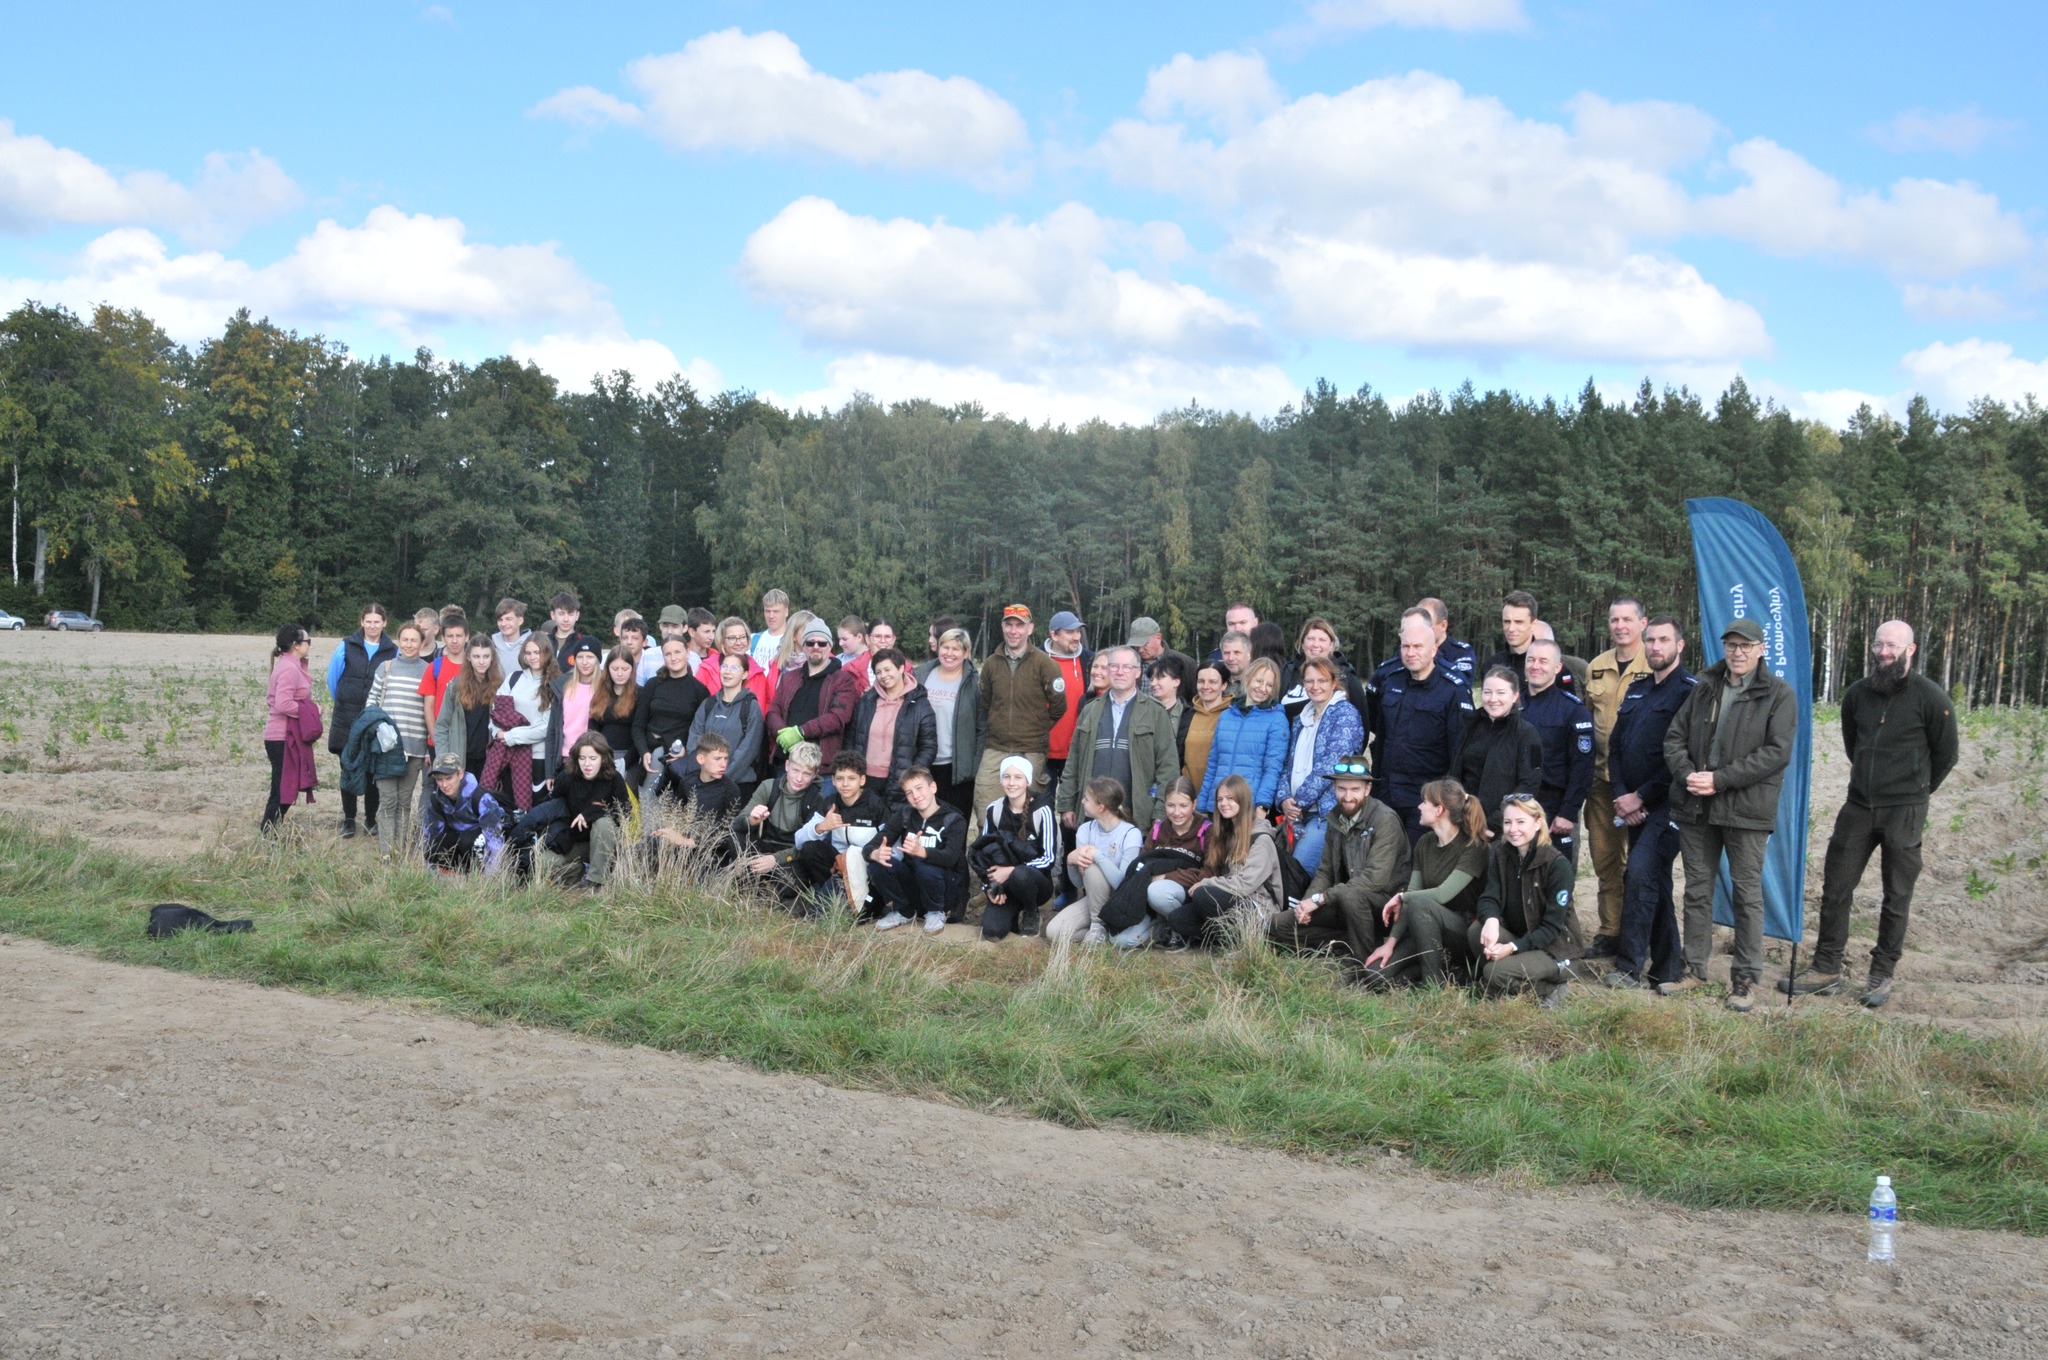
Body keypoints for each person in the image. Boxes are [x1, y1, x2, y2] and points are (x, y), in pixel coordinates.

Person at [1784, 620, 1959, 1009]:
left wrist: (1915, 791)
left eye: (1892, 646)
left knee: (1896, 895)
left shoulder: (1931, 698)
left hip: (1905, 811)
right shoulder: (1858, 694)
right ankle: (1826, 967)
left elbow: (1946, 754)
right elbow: (1853, 742)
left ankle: (1882, 973)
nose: (1883, 652)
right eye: (1879, 644)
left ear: (1910, 650)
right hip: (1858, 806)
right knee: (1835, 887)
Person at [1660, 617, 1797, 1012]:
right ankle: (1694, 969)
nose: (1738, 653)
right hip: (1696, 805)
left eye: (1746, 646)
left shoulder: (1779, 694)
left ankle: (1745, 978)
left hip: (1745, 809)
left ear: (1761, 650)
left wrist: (1721, 780)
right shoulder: (1705, 687)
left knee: (1746, 893)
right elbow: (1674, 737)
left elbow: (1776, 753)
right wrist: (1690, 776)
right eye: (1732, 645)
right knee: (1697, 889)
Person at [1602, 616, 1695, 991]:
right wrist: (1623, 795)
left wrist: (1641, 796)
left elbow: (1683, 757)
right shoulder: (1639, 689)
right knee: (1652, 880)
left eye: (1664, 640)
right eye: (1651, 641)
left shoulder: (1690, 692)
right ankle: (1669, 966)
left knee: (1639, 873)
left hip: (1668, 806)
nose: (1656, 647)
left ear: (1680, 645)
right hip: (1631, 805)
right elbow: (1616, 747)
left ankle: (1628, 968)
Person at [1268, 753, 1409, 965]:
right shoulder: (1334, 817)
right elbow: (1325, 871)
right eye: (1342, 789)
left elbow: (1374, 880)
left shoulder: (1385, 819)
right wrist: (1308, 902)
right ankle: (1346, 946)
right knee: (1278, 925)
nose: (1348, 796)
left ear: (1368, 789)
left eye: (1355, 790)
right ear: (1333, 788)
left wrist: (1321, 899)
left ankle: (1363, 964)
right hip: (1343, 901)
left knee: (1351, 896)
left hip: (1384, 908)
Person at [1360, 779, 1491, 988]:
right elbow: (1413, 892)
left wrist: (1402, 897)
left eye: (1424, 802)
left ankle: (1433, 986)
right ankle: (1445, 974)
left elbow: (1442, 894)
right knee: (1375, 976)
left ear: (1439, 809)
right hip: (1423, 928)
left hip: (1462, 931)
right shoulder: (1425, 843)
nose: (1419, 806)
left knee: (1421, 904)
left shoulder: (1473, 847)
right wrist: (1391, 943)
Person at [1581, 598, 1653, 958]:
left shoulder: (1654, 662)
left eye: (1627, 619)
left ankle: (1641, 933)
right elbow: (1588, 718)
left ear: (1643, 623)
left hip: (1642, 787)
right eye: (1614, 619)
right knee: (1606, 859)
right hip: (1601, 782)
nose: (1620, 625)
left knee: (1643, 866)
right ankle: (1610, 930)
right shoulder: (1596, 667)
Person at [1470, 793, 1584, 1006]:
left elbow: (1551, 928)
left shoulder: (1557, 865)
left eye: (1521, 822)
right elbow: (1489, 896)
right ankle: (1507, 984)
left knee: (1494, 972)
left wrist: (1512, 947)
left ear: (1538, 823)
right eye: (1508, 822)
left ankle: (1552, 989)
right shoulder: (1501, 854)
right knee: (1477, 931)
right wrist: (1492, 920)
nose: (1513, 829)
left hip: (1555, 950)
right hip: (1523, 938)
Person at [1370, 610, 1474, 841]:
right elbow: (1382, 740)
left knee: (1417, 866)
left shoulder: (1452, 689)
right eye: (1406, 647)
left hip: (1427, 800)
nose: (1410, 653)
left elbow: (1459, 753)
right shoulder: (1391, 681)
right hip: (1388, 794)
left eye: (1418, 647)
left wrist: (1446, 801)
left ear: (1434, 649)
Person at [1056, 645, 1179, 833]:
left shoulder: (1155, 712)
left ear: (1138, 672)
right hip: (1092, 814)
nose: (1120, 672)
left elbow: (1168, 767)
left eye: (1127, 667)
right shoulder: (1090, 710)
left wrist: (1160, 811)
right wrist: (1066, 804)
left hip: (1136, 814)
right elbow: (1074, 761)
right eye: (1114, 666)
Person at [1157, 774, 1286, 948]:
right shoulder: (1229, 834)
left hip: (1259, 906)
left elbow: (1245, 885)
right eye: (1220, 799)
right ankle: (1232, 938)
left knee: (1204, 895)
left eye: (1230, 798)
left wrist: (1207, 882)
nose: (1224, 803)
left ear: (1243, 800)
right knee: (1178, 919)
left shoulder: (1261, 840)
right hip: (1233, 900)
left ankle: (1250, 937)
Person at [972, 604, 1068, 813]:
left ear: (1030, 629)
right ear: (1003, 627)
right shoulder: (990, 664)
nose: (1014, 630)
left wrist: (1038, 727)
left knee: (1029, 808)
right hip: (996, 746)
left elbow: (1059, 706)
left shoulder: (1045, 664)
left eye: (1019, 625)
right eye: (1009, 625)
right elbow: (985, 702)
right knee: (984, 802)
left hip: (1031, 748)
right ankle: (989, 843)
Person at [1277, 657, 1366, 876]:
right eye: (1309, 681)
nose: (1315, 686)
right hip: (1296, 814)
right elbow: (1287, 764)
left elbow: (1332, 764)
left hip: (1325, 813)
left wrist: (1298, 802)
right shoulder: (1300, 719)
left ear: (1333, 682)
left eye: (1322, 680)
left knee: (1296, 870)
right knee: (1284, 869)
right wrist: (1283, 799)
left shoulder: (1345, 714)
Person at [1519, 639, 1595, 868]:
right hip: (1517, 805)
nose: (1535, 666)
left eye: (1544, 661)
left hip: (1554, 809)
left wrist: (1568, 812)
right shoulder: (1512, 704)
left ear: (1557, 668)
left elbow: (1583, 767)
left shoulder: (1573, 710)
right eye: (1531, 660)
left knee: (1556, 879)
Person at [868, 766, 970, 935]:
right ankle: (903, 910)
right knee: (878, 864)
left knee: (923, 864)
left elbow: (951, 858)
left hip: (944, 888)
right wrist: (875, 853)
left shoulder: (954, 819)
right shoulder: (905, 815)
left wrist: (923, 852)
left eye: (919, 788)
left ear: (933, 788)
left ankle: (936, 912)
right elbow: (872, 845)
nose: (915, 796)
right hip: (915, 885)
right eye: (909, 792)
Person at [791, 753, 892, 916]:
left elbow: (894, 847)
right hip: (838, 866)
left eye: (851, 778)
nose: (845, 784)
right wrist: (821, 827)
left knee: (865, 911)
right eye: (840, 778)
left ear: (862, 780)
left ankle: (872, 902)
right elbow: (798, 841)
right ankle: (832, 894)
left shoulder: (875, 805)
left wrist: (868, 857)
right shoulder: (830, 803)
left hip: (866, 866)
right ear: (832, 780)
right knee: (810, 848)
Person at [1448, 667, 1543, 840]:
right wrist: (1455, 815)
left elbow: (1528, 785)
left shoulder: (1527, 734)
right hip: (1461, 823)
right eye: (1487, 692)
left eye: (1501, 693)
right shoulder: (1470, 726)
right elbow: (1455, 774)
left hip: (1499, 830)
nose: (1493, 699)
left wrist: (1493, 824)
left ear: (1514, 696)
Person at [326, 603, 395, 839]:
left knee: (373, 773)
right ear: (361, 622)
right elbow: (333, 680)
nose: (373, 626)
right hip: (346, 720)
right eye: (369, 621)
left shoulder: (392, 651)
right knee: (348, 768)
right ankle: (348, 819)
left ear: (384, 623)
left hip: (374, 723)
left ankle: (370, 819)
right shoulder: (346, 646)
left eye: (377, 621)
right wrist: (346, 702)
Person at [1046, 777, 1143, 946]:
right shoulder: (1085, 830)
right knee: (1053, 932)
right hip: (1093, 899)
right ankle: (1102, 935)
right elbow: (1079, 883)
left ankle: (1098, 926)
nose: (1082, 802)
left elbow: (1123, 883)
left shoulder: (1131, 833)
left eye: (1086, 799)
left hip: (1119, 899)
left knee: (1091, 864)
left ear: (1101, 807)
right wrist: (1070, 862)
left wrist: (1098, 855)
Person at [974, 755, 1061, 941]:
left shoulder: (1042, 810)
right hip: (1005, 885)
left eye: (1018, 777)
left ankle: (1031, 912)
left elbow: (1048, 858)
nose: (1011, 783)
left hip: (1036, 883)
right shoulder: (994, 810)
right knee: (991, 931)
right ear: (1000, 780)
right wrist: (989, 886)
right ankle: (1010, 914)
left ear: (1028, 781)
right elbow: (983, 853)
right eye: (1006, 777)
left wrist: (1011, 871)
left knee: (1020, 875)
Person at [734, 740, 830, 905]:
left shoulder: (816, 800)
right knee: (735, 838)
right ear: (787, 766)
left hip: (791, 856)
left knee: (788, 883)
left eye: (807, 774)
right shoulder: (768, 786)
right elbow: (737, 824)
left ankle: (766, 887)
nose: (799, 778)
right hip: (765, 846)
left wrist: (774, 860)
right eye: (795, 770)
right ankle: (749, 887)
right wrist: (752, 820)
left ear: (815, 775)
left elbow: (808, 847)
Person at [365, 622, 432, 858]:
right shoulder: (386, 667)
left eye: (414, 640)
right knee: (387, 802)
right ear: (398, 640)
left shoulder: (428, 670)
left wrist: (427, 749)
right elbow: (372, 703)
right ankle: (386, 854)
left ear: (422, 643)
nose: (409, 644)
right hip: (387, 749)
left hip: (415, 748)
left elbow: (430, 711)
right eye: (405, 639)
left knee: (404, 802)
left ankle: (399, 852)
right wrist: (376, 729)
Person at [1118, 777, 1209, 949]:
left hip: (1186, 896)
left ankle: (1182, 930)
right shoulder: (1159, 829)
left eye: (1183, 806)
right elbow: (1142, 863)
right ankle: (1163, 928)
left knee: (1157, 891)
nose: (1176, 812)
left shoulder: (1206, 830)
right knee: (1123, 941)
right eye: (1171, 805)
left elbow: (1209, 873)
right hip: (1152, 900)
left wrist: (1166, 876)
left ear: (1194, 804)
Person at [535, 733, 630, 890]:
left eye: (593, 759)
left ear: (603, 758)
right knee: (542, 862)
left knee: (603, 823)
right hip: (574, 842)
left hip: (604, 844)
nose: (587, 764)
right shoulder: (566, 777)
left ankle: (596, 883)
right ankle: (575, 873)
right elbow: (551, 805)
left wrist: (591, 814)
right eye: (582, 758)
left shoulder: (614, 779)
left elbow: (625, 813)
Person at [1197, 656, 1288, 816]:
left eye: (1269, 685)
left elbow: (1272, 769)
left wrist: (1262, 805)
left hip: (1247, 806)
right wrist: (1203, 804)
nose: (1263, 688)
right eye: (1259, 681)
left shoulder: (1277, 719)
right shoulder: (1226, 716)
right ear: (1248, 678)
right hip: (1218, 805)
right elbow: (1213, 764)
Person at [847, 648, 938, 806]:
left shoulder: (920, 704)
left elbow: (928, 746)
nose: (883, 675)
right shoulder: (866, 701)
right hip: (865, 779)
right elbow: (851, 737)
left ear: (901, 668)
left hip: (899, 781)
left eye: (887, 669)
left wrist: (912, 774)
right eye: (878, 672)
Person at [766, 618, 861, 764]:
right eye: (810, 643)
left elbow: (838, 717)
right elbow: (773, 711)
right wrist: (782, 733)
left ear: (830, 646)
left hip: (821, 765)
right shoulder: (789, 678)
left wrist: (801, 732)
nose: (816, 647)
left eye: (822, 643)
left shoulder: (843, 680)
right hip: (787, 760)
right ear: (803, 646)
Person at [648, 731, 746, 863]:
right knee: (652, 842)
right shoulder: (688, 782)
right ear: (701, 759)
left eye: (725, 758)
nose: (723, 764)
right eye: (717, 759)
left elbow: (730, 834)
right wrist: (667, 831)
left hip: (711, 854)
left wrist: (687, 841)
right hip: (683, 845)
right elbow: (678, 815)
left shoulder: (731, 790)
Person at [486, 634, 557, 812]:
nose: (532, 657)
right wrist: (497, 733)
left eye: (537, 652)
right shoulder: (514, 678)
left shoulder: (554, 684)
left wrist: (512, 736)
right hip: (508, 752)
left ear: (547, 653)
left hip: (537, 756)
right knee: (510, 804)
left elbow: (546, 727)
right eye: (528, 652)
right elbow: (497, 712)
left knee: (534, 806)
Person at [915, 627, 981, 816]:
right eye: (945, 647)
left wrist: (974, 766)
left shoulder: (974, 684)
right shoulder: (922, 675)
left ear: (966, 653)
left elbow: (982, 727)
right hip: (924, 763)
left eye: (956, 649)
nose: (949, 653)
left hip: (956, 768)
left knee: (955, 822)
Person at [635, 637, 711, 798]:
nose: (673, 657)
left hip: (679, 758)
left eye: (678, 652)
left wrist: (685, 747)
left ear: (687, 652)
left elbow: (700, 729)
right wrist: (643, 751)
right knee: (647, 807)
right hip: (650, 755)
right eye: (668, 654)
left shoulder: (699, 690)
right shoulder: (653, 685)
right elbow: (638, 724)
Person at [683, 651, 767, 787]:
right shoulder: (708, 704)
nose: (727, 672)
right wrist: (702, 772)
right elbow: (695, 738)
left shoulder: (751, 706)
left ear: (745, 674)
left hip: (738, 784)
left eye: (734, 668)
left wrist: (723, 778)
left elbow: (748, 750)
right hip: (704, 782)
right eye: (724, 667)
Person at [263, 622, 316, 831]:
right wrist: (312, 711)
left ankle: (270, 831)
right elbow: (283, 703)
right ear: (296, 645)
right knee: (282, 788)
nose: (309, 645)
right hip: (282, 738)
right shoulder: (288, 669)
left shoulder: (291, 665)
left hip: (286, 737)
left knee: (284, 787)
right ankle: (268, 832)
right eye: (307, 641)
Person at [420, 754, 508, 875]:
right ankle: (449, 876)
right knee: (437, 843)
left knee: (468, 841)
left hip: (480, 843)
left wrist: (492, 876)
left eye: (449, 778)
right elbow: (430, 834)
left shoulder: (482, 799)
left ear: (460, 774)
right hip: (459, 840)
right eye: (439, 780)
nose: (444, 785)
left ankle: (477, 876)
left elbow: (495, 840)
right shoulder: (437, 799)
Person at [431, 635, 502, 784]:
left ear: (492, 658)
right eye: (476, 656)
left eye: (486, 656)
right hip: (461, 757)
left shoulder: (502, 686)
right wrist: (445, 759)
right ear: (468, 657)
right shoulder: (455, 686)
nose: (481, 661)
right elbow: (442, 725)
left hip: (490, 759)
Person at [542, 637, 605, 790]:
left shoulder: (604, 686)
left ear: (597, 660)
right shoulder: (563, 686)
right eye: (580, 657)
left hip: (593, 758)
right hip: (566, 758)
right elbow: (552, 731)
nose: (584, 662)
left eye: (589, 657)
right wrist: (549, 772)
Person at [1485, 590, 1575, 694]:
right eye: (1507, 621)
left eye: (1519, 622)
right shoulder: (1491, 665)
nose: (1511, 628)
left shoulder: (1554, 669)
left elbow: (1569, 707)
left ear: (1533, 624)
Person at [1281, 616, 1369, 723]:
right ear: (1302, 644)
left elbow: (1362, 724)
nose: (1316, 645)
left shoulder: (1346, 677)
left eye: (1322, 640)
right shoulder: (1287, 673)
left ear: (1331, 645)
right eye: (1310, 639)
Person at [1042, 610, 1091, 792]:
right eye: (1070, 632)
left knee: (1072, 811)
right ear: (1054, 634)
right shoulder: (1036, 659)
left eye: (1078, 632)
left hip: (1076, 752)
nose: (1076, 637)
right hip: (1041, 752)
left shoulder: (1089, 661)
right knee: (1040, 806)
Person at [697, 616, 775, 714]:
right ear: (722, 640)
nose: (738, 643)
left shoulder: (758, 674)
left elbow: (761, 713)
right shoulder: (707, 669)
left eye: (742, 637)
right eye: (732, 638)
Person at [416, 607, 469, 743]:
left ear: (467, 637)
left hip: (468, 739)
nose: (455, 641)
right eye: (450, 636)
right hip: (440, 738)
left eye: (459, 636)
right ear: (443, 638)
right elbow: (428, 706)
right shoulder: (434, 667)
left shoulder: (474, 666)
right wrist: (435, 736)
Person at [590, 650, 643, 785]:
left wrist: (625, 761)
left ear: (632, 670)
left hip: (630, 757)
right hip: (603, 754)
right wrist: (600, 754)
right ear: (607, 669)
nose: (620, 673)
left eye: (625, 669)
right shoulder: (600, 694)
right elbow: (593, 728)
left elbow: (641, 731)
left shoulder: (640, 695)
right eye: (615, 668)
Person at [1181, 663, 1231, 785]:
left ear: (1224, 685)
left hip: (1220, 793)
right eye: (1201, 681)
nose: (1205, 686)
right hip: (1188, 794)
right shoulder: (1187, 715)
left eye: (1212, 682)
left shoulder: (1233, 716)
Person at [1416, 597, 1478, 689]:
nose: (1420, 630)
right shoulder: (1409, 650)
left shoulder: (1461, 652)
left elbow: (1462, 682)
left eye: (1427, 624)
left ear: (1443, 625)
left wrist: (1433, 654)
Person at [538, 590, 597, 666]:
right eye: (561, 614)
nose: (566, 619)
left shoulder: (584, 643)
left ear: (577, 616)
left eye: (570, 614)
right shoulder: (543, 643)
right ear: (553, 615)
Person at [1205, 603, 1260, 669]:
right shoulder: (1216, 657)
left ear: (1255, 623)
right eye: (1231, 624)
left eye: (1243, 622)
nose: (1237, 628)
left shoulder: (1266, 653)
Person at [750, 588, 791, 671]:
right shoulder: (752, 639)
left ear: (786, 612)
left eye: (776, 611)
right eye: (768, 611)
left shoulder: (793, 641)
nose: (771, 616)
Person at [489, 598, 530, 678]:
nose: (503, 624)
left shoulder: (530, 646)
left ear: (520, 620)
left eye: (508, 619)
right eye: (500, 620)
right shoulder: (491, 646)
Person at [770, 609, 819, 676]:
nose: (812, 636)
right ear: (793, 635)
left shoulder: (826, 663)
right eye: (807, 631)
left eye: (816, 632)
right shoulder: (778, 665)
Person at [837, 614, 872, 691]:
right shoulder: (838, 660)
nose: (840, 643)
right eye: (839, 639)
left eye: (844, 639)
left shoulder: (873, 659)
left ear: (859, 637)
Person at [1215, 630, 1252, 697]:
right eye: (1226, 653)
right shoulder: (1215, 683)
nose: (1231, 658)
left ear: (1249, 654)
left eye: (1237, 653)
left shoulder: (1259, 684)